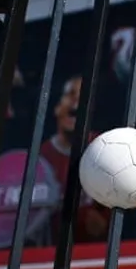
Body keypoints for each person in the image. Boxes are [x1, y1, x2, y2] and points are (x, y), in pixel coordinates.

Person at [40, 75, 110, 243]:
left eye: (84, 97)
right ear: (57, 107)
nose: (77, 102)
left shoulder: (106, 149)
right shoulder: (40, 157)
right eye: (70, 94)